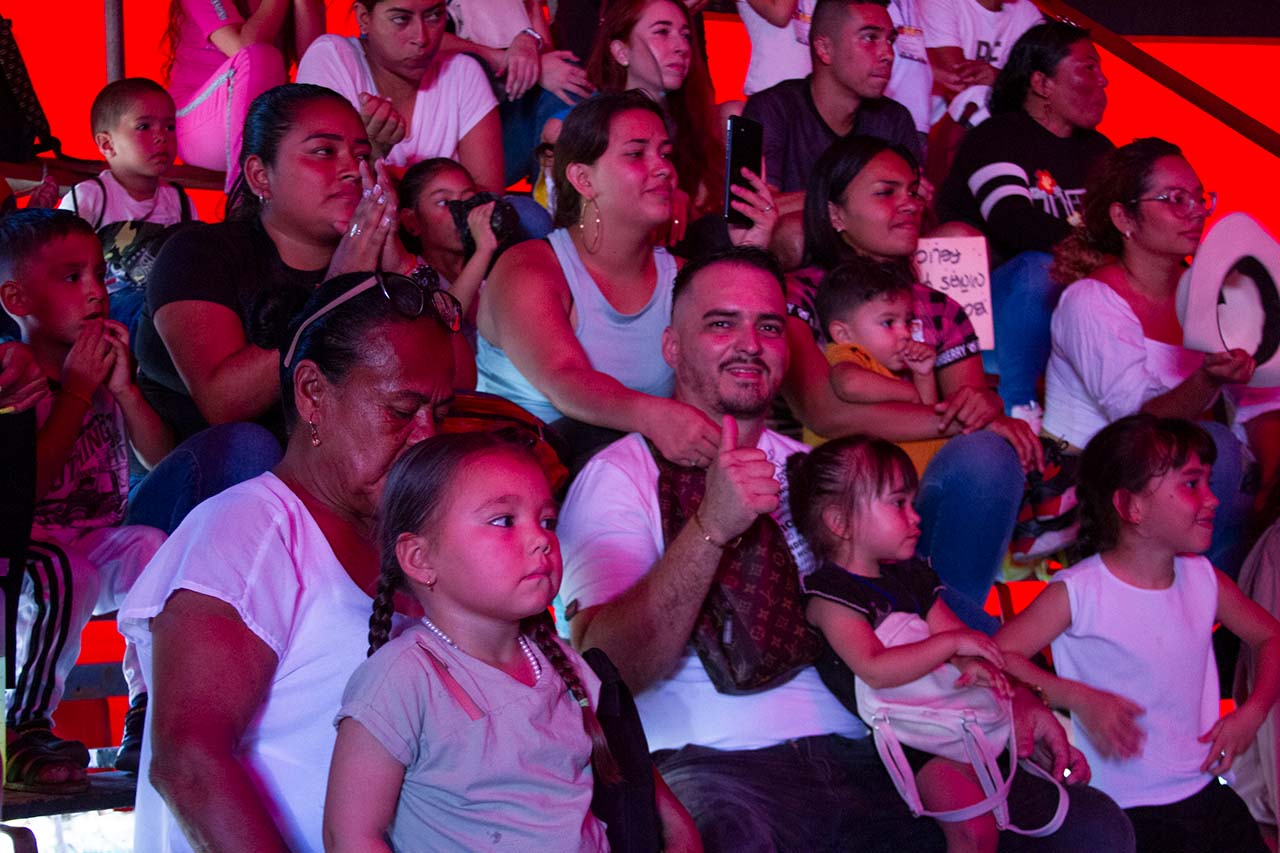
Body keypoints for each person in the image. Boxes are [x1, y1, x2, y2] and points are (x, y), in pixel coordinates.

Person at [556, 246, 1135, 851]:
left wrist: (1013, 698)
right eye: (722, 323)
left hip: (874, 746)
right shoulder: (620, 476)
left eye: (770, 327)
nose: (750, 344)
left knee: (1092, 829)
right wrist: (709, 529)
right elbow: (608, 671)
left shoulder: (820, 472)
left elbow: (912, 608)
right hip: (720, 766)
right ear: (672, 347)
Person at [118, 270, 461, 851]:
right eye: (401, 410)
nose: (426, 437)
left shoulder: (415, 545)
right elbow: (190, 765)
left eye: (441, 413)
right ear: (311, 394)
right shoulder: (248, 530)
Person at [323, 431, 699, 849]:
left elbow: (621, 754)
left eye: (547, 522)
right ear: (420, 558)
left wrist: (678, 825)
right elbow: (349, 835)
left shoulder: (558, 661)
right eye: (504, 521)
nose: (542, 539)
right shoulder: (402, 679)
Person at [134, 85, 472, 466]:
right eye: (324, 152)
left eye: (362, 155)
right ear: (260, 176)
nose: (352, 170)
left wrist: (405, 269)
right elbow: (225, 405)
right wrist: (338, 288)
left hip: (327, 476)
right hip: (204, 482)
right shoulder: (198, 253)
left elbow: (460, 381)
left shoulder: (376, 263)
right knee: (251, 446)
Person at [996, 414, 1280, 853]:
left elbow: (1270, 638)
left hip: (1204, 792)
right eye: (1192, 484)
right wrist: (1077, 696)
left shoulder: (1204, 579)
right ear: (1132, 507)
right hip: (1125, 810)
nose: (1212, 499)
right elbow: (996, 656)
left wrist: (1253, 711)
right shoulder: (1079, 592)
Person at [790, 134, 1039, 623]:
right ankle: (961, 637)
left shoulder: (940, 306)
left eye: (912, 190)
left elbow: (972, 405)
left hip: (917, 496)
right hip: (834, 504)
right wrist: (958, 419)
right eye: (886, 192)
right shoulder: (801, 293)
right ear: (836, 214)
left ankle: (949, 623)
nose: (909, 203)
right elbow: (825, 412)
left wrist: (985, 411)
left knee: (989, 454)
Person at [475, 90, 775, 466]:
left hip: (627, 480)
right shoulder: (529, 267)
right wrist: (655, 418)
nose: (663, 169)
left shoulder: (682, 278)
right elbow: (565, 379)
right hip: (515, 474)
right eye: (636, 154)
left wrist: (751, 252)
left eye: (665, 154)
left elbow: (739, 362)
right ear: (583, 179)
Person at [1044, 137, 1277, 578]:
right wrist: (1207, 380)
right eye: (1173, 198)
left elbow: (1260, 401)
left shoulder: (1216, 294)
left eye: (1199, 198)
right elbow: (1136, 425)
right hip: (1094, 488)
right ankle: (1194, 594)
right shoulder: (1091, 301)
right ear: (1123, 217)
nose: (1195, 211)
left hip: (1182, 481)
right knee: (1218, 450)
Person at [0, 209, 173, 788]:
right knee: (66, 572)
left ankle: (149, 714)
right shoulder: (15, 379)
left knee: (152, 549)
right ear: (17, 299)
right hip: (20, 558)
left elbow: (160, 459)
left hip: (88, 543)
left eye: (99, 274)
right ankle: (24, 726)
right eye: (72, 278)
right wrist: (74, 390)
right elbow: (27, 489)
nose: (96, 292)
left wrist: (123, 390)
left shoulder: (99, 374)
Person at [789, 435, 1015, 852]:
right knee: (973, 830)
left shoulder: (911, 576)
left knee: (989, 826)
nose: (916, 517)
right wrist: (952, 644)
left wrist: (972, 665)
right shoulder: (829, 597)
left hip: (944, 717)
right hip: (904, 738)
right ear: (840, 522)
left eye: (912, 502)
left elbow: (956, 642)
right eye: (898, 503)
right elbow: (874, 666)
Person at [937, 21, 1113, 429]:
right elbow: (1012, 220)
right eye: (1088, 68)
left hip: (1074, 311)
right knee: (1040, 267)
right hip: (987, 319)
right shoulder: (998, 136)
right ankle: (1018, 408)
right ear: (1041, 83)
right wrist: (1103, 256)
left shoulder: (1099, 150)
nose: (1103, 80)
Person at [295, 0, 503, 192]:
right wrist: (372, 153)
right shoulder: (333, 58)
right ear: (364, 19)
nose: (421, 38)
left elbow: (489, 200)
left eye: (434, 16)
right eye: (401, 19)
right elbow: (317, 193)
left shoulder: (462, 73)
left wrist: (385, 171)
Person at [742, 0, 922, 221]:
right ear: (824, 49)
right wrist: (855, 198)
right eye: (870, 38)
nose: (888, 54)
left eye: (890, 40)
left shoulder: (895, 119)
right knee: (794, 233)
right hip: (796, 243)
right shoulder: (773, 108)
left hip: (869, 242)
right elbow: (756, 208)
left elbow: (913, 206)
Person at [58, 78, 197, 335]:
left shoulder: (179, 200)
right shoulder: (91, 197)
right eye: (144, 126)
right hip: (108, 308)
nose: (161, 137)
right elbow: (58, 266)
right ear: (107, 144)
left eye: (169, 127)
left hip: (167, 302)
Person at [587, 0, 724, 240]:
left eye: (686, 36)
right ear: (621, 52)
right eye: (662, 32)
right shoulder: (593, 123)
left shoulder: (691, 123)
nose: (681, 47)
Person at [163, 0, 319, 190]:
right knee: (261, 55)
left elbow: (314, 63)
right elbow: (246, 48)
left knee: (330, 54)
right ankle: (244, 195)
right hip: (195, 125)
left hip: (265, 123)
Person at [439, 0, 595, 185]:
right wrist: (511, 61)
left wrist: (534, 55)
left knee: (569, 88)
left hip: (508, 109)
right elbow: (420, 39)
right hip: (449, 137)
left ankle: (560, 197)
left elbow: (548, 56)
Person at [811, 257, 945, 473]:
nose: (905, 333)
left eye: (907, 322)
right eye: (888, 323)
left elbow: (927, 420)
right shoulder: (850, 354)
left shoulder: (885, 372)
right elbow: (849, 383)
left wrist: (923, 375)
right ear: (843, 334)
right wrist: (907, 391)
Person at [397, 157, 499, 333]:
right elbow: (441, 328)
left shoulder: (491, 272)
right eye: (444, 202)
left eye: (468, 200)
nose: (461, 211)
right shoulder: (412, 279)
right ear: (411, 221)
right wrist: (483, 251)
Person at [922, 0, 1042, 105]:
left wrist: (999, 78)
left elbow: (1044, 91)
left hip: (990, 120)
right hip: (933, 121)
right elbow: (960, 83)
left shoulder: (1027, 12)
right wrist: (1006, 82)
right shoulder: (941, 2)